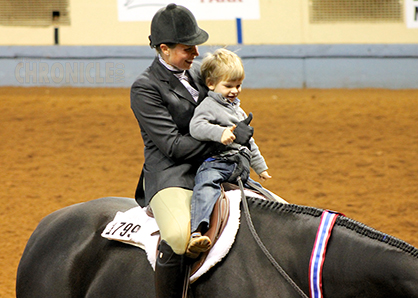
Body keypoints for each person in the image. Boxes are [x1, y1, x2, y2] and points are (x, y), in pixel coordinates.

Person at [130, 4, 254, 298]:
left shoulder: (202, 74)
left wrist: (239, 129)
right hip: (172, 173)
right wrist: (228, 138)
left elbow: (227, 105)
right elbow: (172, 146)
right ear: (164, 49)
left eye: (196, 46)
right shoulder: (145, 88)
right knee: (177, 237)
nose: (196, 54)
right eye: (188, 49)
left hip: (216, 165)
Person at [187, 48, 272, 256]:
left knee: (267, 198)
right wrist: (220, 133)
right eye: (228, 86)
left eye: (238, 85)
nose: (234, 91)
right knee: (206, 187)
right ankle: (196, 232)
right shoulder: (208, 105)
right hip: (217, 164)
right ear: (211, 84)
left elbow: (250, 143)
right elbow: (196, 127)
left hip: (240, 168)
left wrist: (260, 167)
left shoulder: (238, 110)